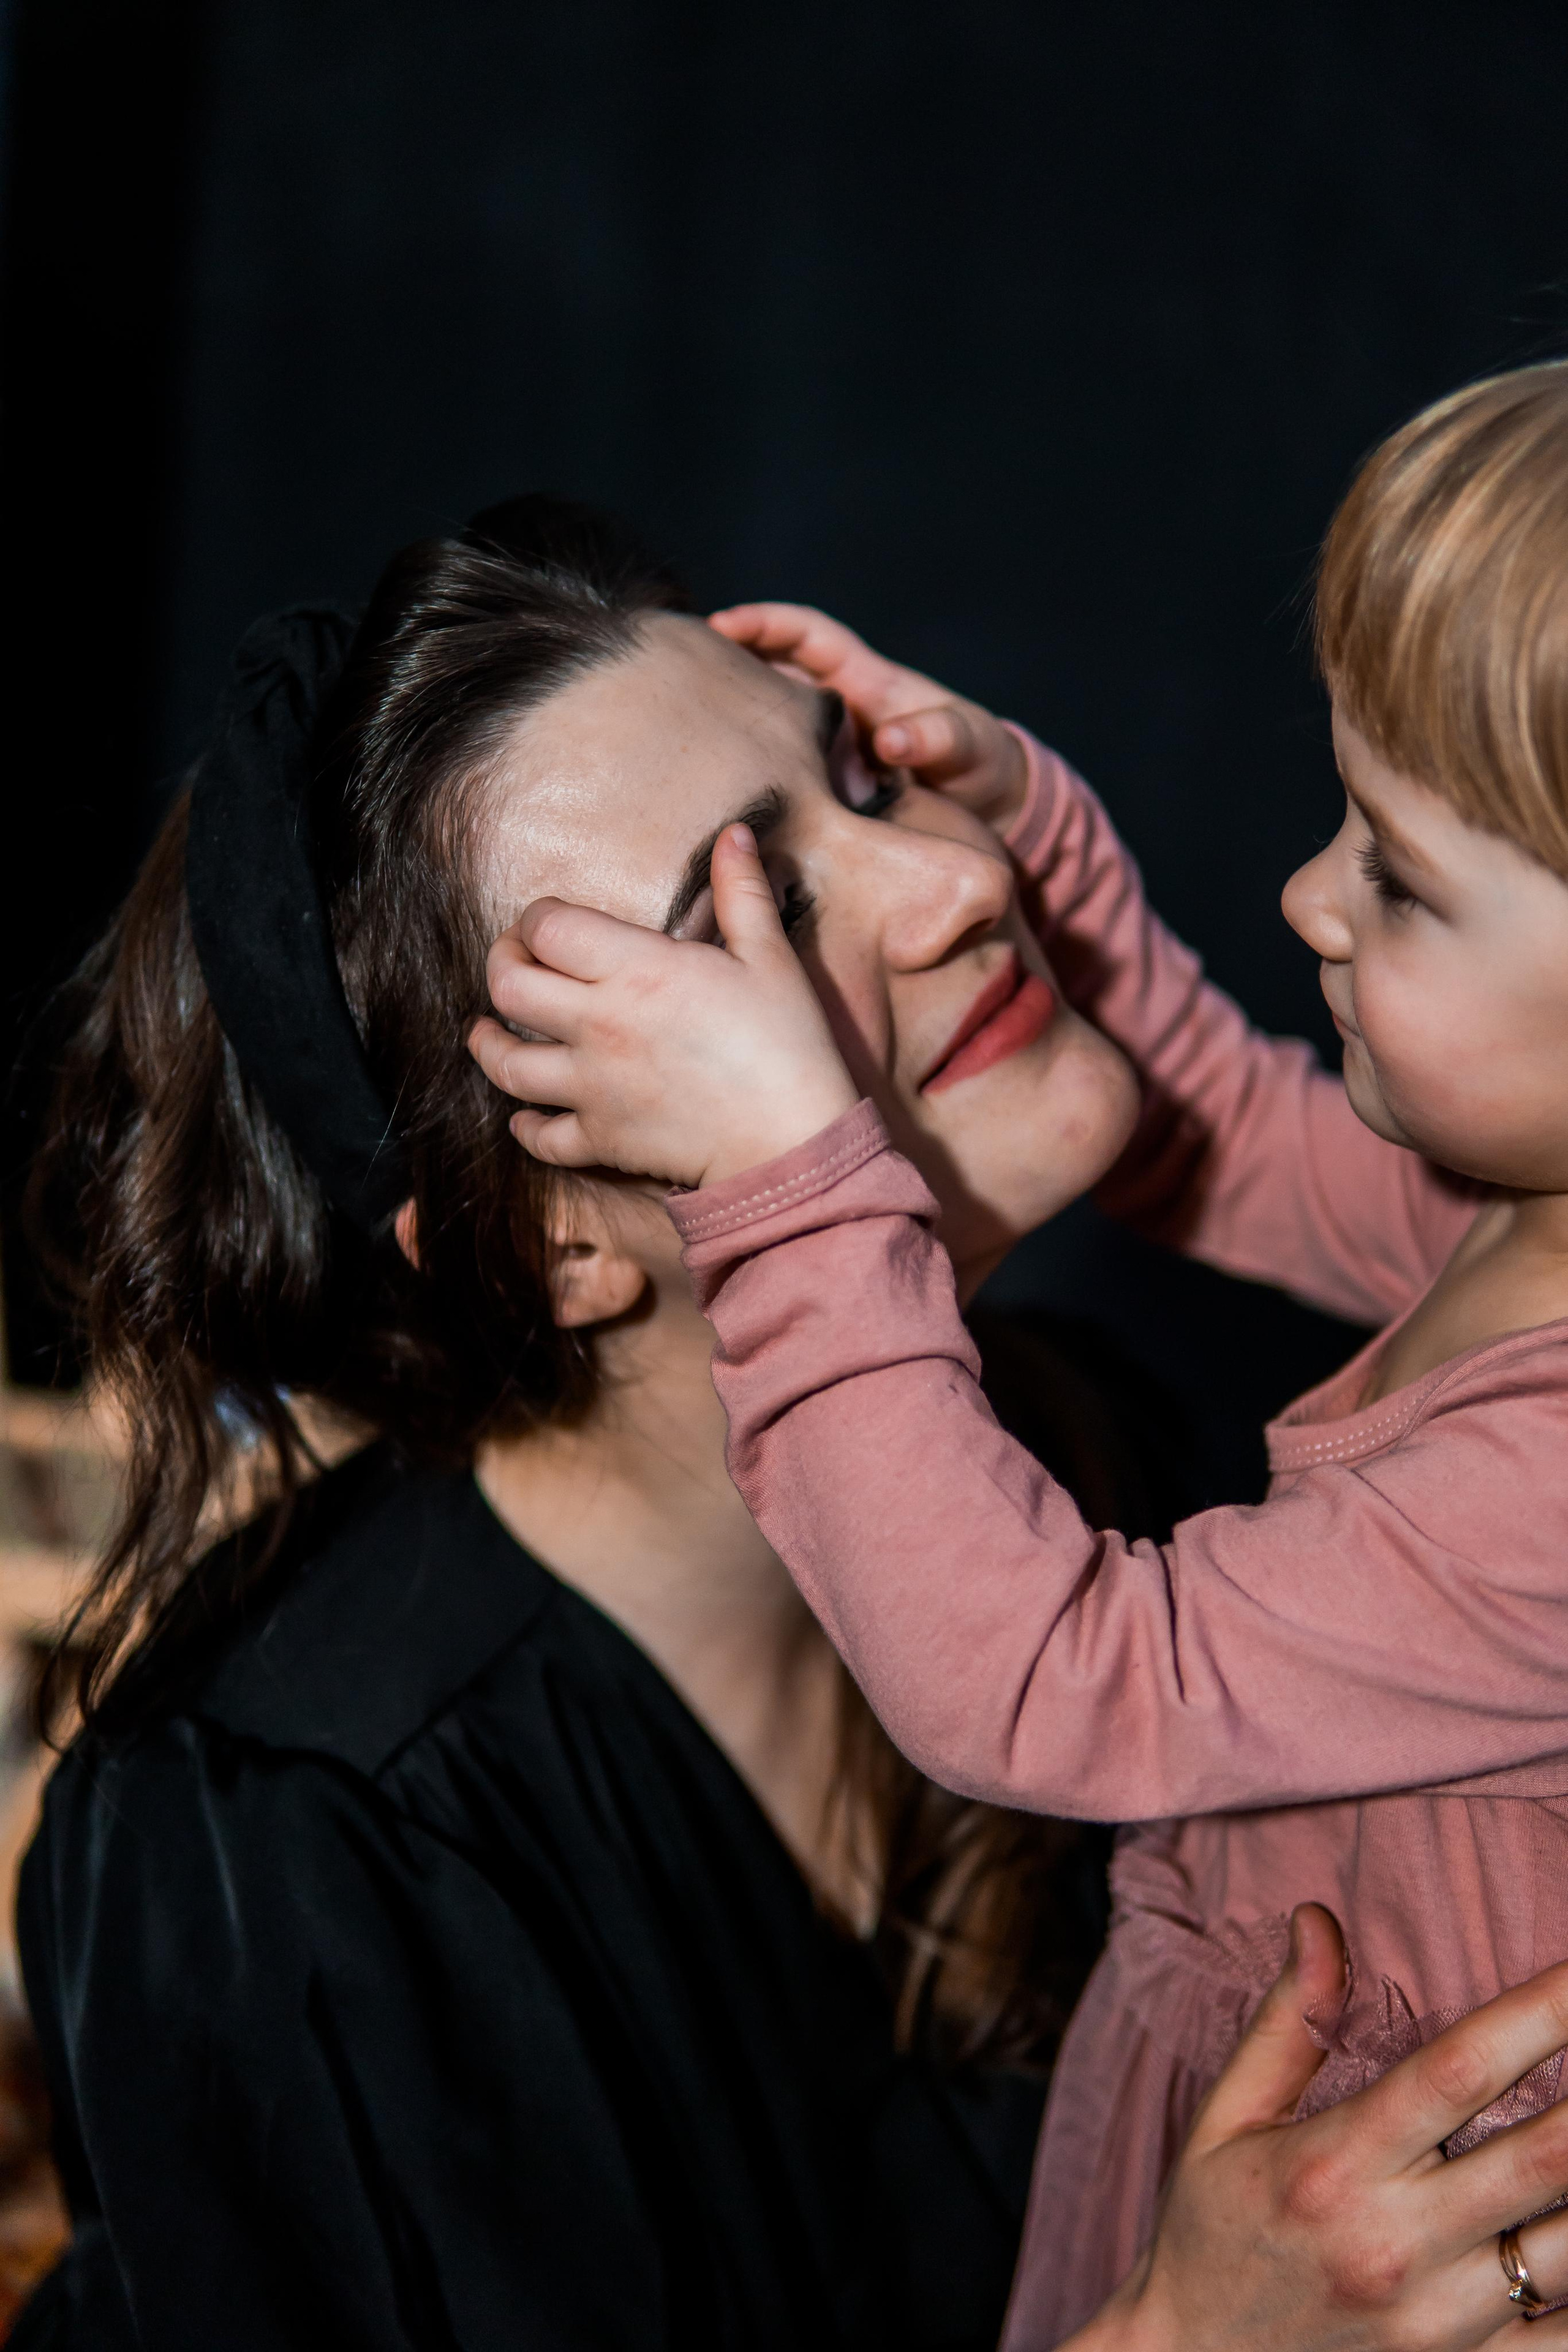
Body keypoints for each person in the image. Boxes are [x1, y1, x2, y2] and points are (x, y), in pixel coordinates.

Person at [14, 493, 1568, 2352]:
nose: (967, 880)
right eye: (754, 927)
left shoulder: (1113, 1479)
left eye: (871, 782)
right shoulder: (281, 1844)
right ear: (555, 1237)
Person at [469, 361, 1568, 2344]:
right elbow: (1213, 1138)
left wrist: (787, 1180)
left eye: (1401, 879)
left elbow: (1057, 1678)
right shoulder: (1530, 1216)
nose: (1308, 895)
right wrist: (1036, 852)